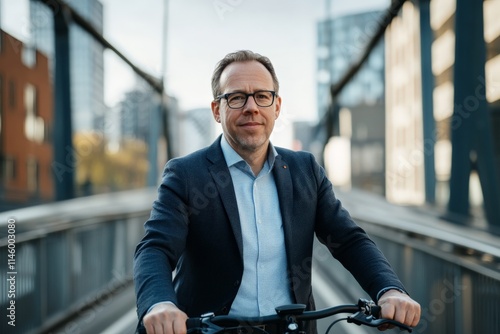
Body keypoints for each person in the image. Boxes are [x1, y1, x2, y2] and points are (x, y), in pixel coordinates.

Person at [134, 50, 421, 334]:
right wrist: (159, 303)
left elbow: (347, 240)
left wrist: (388, 289)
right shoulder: (186, 174)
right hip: (212, 329)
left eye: (262, 96)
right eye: (236, 97)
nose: (251, 107)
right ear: (216, 111)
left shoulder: (305, 169)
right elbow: (155, 247)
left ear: (277, 107)